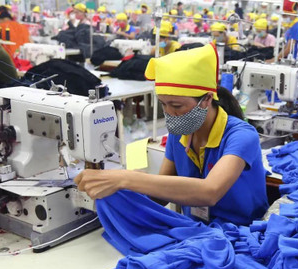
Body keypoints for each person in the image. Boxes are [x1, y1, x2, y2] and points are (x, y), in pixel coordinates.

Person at [75, 44, 267, 225]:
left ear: (207, 99)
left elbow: (210, 191)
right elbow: (160, 196)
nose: (169, 113)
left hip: (242, 235)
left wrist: (124, 178)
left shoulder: (241, 136)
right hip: (196, 231)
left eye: (176, 106)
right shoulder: (180, 133)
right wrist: (117, 197)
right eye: (163, 104)